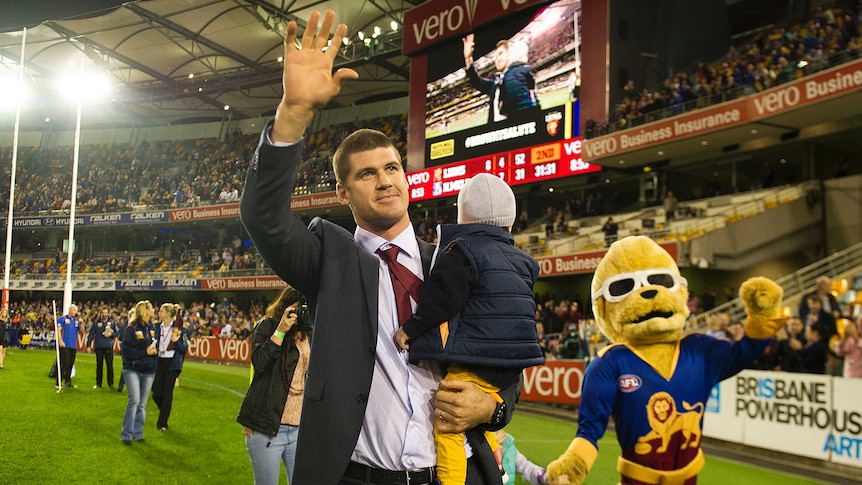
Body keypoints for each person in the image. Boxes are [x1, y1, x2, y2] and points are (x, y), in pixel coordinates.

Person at [239, 9, 519, 485]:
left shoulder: (459, 261)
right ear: (343, 194)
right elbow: (263, 217)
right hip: (357, 477)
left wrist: (493, 406)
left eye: (392, 168)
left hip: (452, 474)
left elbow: (504, 355)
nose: (384, 180)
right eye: (366, 173)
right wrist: (294, 114)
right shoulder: (327, 260)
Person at [392, 173, 543, 484]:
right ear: (510, 223)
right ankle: (485, 470)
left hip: (474, 358)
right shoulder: (525, 261)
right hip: (511, 366)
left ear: (463, 219)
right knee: (474, 423)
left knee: (448, 425)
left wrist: (413, 327)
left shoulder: (461, 250)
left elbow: (443, 298)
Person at [237, 286, 311, 485]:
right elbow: (260, 362)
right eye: (297, 309)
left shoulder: (309, 333)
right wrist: (280, 331)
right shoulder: (268, 326)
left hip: (299, 429)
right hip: (267, 426)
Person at [463, 33, 539, 123]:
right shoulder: (497, 82)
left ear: (509, 54)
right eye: (496, 56)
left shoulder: (517, 73)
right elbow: (477, 82)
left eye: (501, 54)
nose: (497, 59)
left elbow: (525, 110)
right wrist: (468, 58)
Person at [120, 301, 158, 445]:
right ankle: (126, 434)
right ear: (145, 311)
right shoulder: (131, 328)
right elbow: (126, 351)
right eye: (151, 308)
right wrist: (145, 352)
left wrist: (154, 354)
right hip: (132, 369)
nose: (154, 310)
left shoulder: (151, 328)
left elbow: (154, 345)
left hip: (148, 370)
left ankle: (138, 432)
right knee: (134, 400)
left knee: (142, 403)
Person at [152, 303, 189, 431]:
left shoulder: (180, 330)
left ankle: (162, 423)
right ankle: (165, 410)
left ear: (168, 313)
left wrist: (176, 341)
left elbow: (184, 348)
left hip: (172, 363)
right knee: (156, 393)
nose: (159, 313)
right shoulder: (156, 327)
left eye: (161, 311)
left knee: (167, 392)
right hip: (159, 361)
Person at [86, 306, 118, 388]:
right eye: (103, 313)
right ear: (101, 313)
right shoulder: (96, 322)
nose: (104, 314)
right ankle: (98, 383)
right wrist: (88, 345)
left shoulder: (112, 322)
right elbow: (91, 334)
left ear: (108, 313)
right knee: (99, 365)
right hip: (99, 346)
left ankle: (111, 383)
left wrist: (111, 334)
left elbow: (117, 333)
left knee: (109, 365)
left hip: (108, 346)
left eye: (105, 313)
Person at [56, 304, 81, 389]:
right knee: (65, 363)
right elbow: (58, 330)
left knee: (71, 363)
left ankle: (68, 381)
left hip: (73, 345)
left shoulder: (76, 321)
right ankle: (58, 381)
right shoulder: (62, 319)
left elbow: (81, 330)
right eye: (74, 310)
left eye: (76, 310)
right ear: (70, 310)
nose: (75, 312)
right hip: (65, 344)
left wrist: (82, 322)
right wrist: (60, 340)